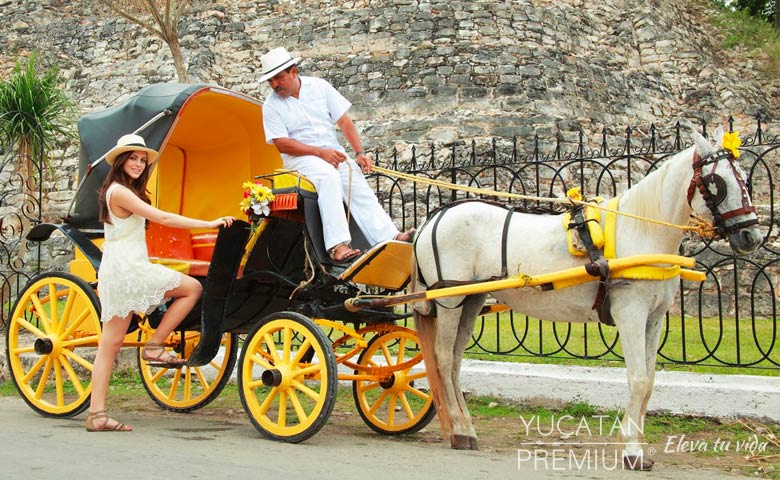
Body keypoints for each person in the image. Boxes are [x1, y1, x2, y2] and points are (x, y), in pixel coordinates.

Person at [86, 134, 235, 432]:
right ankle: (154, 345)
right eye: (133, 158)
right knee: (192, 289)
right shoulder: (120, 192)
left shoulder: (119, 191)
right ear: (120, 161)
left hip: (120, 269)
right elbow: (163, 218)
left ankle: (96, 415)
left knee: (110, 344)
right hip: (129, 270)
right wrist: (208, 224)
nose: (139, 164)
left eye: (143, 160)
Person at [259, 47, 414, 263]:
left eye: (278, 78)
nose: (275, 84)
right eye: (271, 80)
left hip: (331, 152)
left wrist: (359, 153)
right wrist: (319, 152)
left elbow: (344, 121)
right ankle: (338, 246)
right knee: (328, 176)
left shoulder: (319, 86)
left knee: (355, 181)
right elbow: (282, 144)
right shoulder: (270, 106)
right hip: (300, 159)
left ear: (293, 72)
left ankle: (391, 236)